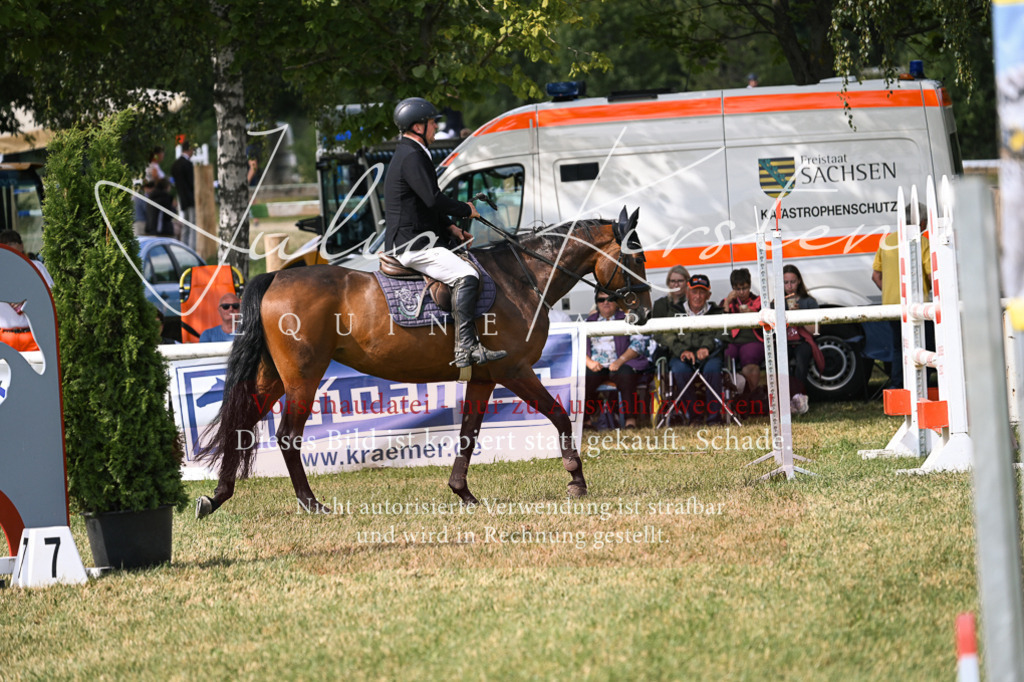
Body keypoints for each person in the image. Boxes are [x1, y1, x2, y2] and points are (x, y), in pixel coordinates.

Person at [383, 96, 506, 368]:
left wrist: (450, 227)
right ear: (417, 127)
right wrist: (465, 209)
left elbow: (424, 203)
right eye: (431, 123)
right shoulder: (412, 155)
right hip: (412, 245)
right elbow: (432, 198)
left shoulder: (411, 152)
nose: (436, 128)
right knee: (467, 274)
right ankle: (466, 348)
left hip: (417, 237)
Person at [653, 274, 727, 424]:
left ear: (708, 295)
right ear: (687, 293)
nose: (698, 296)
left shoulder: (717, 312)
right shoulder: (674, 312)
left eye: (702, 292)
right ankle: (695, 417)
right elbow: (666, 335)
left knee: (713, 368)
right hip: (682, 356)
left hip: (709, 356)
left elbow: (723, 334)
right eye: (694, 292)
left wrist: (707, 347)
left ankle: (714, 418)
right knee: (679, 370)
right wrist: (682, 351)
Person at [872, 206, 931, 389]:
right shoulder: (921, 242)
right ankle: (923, 386)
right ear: (921, 222)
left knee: (899, 347)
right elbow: (930, 274)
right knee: (923, 346)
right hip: (918, 305)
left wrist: (891, 292)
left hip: (892, 306)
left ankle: (899, 385)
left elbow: (875, 276)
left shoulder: (887, 241)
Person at [584, 292, 651, 429]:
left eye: (610, 299)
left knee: (627, 375)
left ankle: (630, 421)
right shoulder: (589, 321)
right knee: (584, 377)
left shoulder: (627, 319)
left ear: (617, 302)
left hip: (621, 362)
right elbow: (578, 346)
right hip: (597, 365)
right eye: (601, 300)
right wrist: (589, 362)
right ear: (597, 303)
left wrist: (620, 361)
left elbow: (638, 344)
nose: (606, 302)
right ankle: (586, 422)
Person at [0, 230, 53, 352]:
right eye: (4, 243)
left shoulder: (36, 267)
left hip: (34, 336)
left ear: (21, 245)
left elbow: (51, 297)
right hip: (4, 339)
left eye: (12, 242)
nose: (8, 247)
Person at [782, 264, 823, 415]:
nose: (789, 286)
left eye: (792, 282)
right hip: (784, 341)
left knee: (802, 356)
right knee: (781, 357)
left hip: (803, 341)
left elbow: (814, 331)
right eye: (786, 282)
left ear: (799, 281)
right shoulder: (777, 303)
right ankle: (787, 398)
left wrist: (799, 315)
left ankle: (798, 397)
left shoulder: (809, 302)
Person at [721, 268, 763, 398]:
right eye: (737, 289)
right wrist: (727, 302)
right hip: (732, 341)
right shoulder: (727, 302)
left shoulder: (758, 301)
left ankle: (748, 397)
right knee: (725, 356)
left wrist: (753, 314)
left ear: (749, 286)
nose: (741, 292)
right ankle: (729, 396)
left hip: (752, 340)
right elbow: (721, 323)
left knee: (749, 358)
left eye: (744, 288)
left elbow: (765, 320)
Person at [171, 141, 196, 249]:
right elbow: (192, 183)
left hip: (182, 198)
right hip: (191, 199)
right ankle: (192, 248)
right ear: (189, 150)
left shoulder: (175, 165)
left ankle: (184, 247)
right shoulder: (188, 165)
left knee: (185, 226)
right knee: (193, 225)